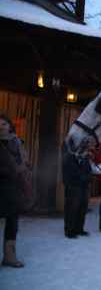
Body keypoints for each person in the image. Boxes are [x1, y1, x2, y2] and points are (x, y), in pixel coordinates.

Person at [0, 114, 31, 268]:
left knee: (12, 223)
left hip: (14, 188)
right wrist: (10, 170)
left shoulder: (17, 142)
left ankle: (9, 257)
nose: (1, 127)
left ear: (9, 126)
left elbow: (25, 161)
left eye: (4, 124)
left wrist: (23, 168)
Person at [62, 138, 93, 238]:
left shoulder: (84, 158)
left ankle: (79, 229)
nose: (84, 151)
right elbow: (73, 173)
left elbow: (89, 171)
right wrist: (84, 177)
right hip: (73, 187)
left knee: (82, 209)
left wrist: (87, 178)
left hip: (83, 187)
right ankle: (69, 231)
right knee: (72, 209)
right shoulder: (69, 158)